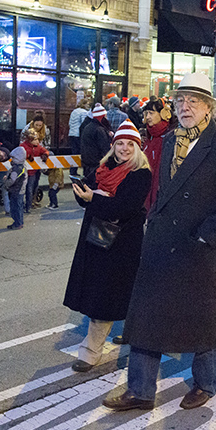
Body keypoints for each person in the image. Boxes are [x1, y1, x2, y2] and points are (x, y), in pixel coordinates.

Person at [102, 72, 216, 412]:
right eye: (180, 100)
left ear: (208, 108)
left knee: (204, 318)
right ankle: (140, 390)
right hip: (160, 243)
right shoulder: (169, 140)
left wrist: (206, 235)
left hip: (198, 248)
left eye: (193, 101)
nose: (185, 107)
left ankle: (205, 383)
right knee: (146, 316)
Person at [64, 121, 151, 372]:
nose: (124, 148)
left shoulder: (140, 173)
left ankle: (90, 352)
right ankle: (133, 331)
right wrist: (84, 194)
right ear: (113, 146)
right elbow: (88, 198)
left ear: (138, 147)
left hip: (122, 243)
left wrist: (95, 199)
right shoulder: (103, 167)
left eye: (130, 144)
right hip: (96, 239)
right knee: (112, 293)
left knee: (107, 295)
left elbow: (125, 208)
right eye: (120, 143)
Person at [141, 96, 174, 211]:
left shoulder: (171, 137)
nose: (148, 117)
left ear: (164, 114)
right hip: (144, 191)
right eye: (146, 113)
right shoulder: (146, 136)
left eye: (151, 113)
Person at [20, 128, 50, 213]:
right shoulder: (23, 146)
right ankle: (22, 205)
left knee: (30, 189)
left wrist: (45, 154)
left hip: (32, 173)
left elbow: (45, 151)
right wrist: (26, 156)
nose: (37, 141)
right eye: (35, 139)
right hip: (24, 172)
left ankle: (28, 206)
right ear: (30, 140)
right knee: (23, 190)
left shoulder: (37, 147)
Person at [80, 103, 111, 179]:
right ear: (102, 117)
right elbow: (105, 149)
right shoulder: (99, 130)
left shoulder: (87, 127)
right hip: (96, 165)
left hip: (87, 165)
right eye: (105, 116)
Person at [4, 146, 27, 229]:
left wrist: (6, 182)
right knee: (19, 207)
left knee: (15, 207)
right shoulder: (22, 167)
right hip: (20, 190)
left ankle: (17, 223)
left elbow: (12, 180)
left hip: (16, 191)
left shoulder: (16, 169)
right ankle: (19, 222)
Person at [67, 98, 90, 176]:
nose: (88, 106)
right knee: (81, 153)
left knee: (74, 153)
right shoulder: (84, 112)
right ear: (84, 104)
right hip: (78, 134)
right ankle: (82, 171)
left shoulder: (74, 111)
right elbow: (84, 124)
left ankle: (73, 170)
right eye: (87, 104)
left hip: (72, 133)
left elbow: (70, 123)